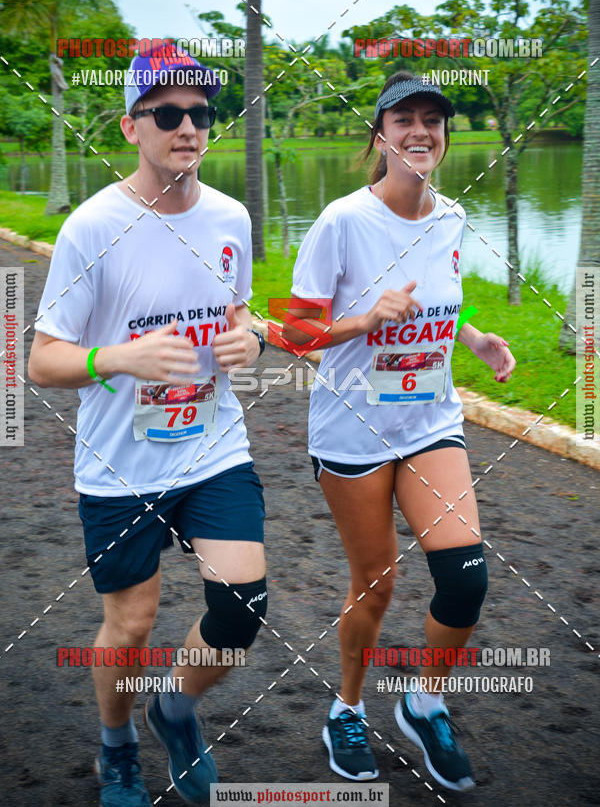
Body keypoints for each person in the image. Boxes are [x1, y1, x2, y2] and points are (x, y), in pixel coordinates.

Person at [28, 42, 268, 806]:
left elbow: (238, 311)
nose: (189, 127)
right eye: (168, 113)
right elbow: (40, 363)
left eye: (201, 113)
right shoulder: (93, 228)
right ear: (132, 127)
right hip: (121, 464)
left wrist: (252, 335)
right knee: (130, 627)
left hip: (212, 446)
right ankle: (118, 744)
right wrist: (120, 359)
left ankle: (173, 704)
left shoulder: (230, 217)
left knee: (243, 604)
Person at [286, 71, 515, 791]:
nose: (421, 131)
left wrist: (472, 338)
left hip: (429, 423)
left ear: (445, 134)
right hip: (353, 432)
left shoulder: (450, 216)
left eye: (433, 120)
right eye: (404, 119)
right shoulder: (342, 221)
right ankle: (346, 709)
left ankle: (423, 700)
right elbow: (293, 331)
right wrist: (363, 320)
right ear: (380, 135)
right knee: (376, 586)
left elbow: (439, 300)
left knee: (465, 578)